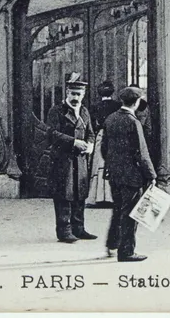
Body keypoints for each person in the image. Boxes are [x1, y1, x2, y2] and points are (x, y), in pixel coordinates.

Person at [102, 86, 156, 262]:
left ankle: (112, 243)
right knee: (131, 213)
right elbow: (142, 152)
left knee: (118, 210)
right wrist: (151, 175)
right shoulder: (134, 122)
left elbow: (104, 149)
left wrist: (113, 164)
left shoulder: (110, 119)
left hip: (114, 174)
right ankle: (126, 252)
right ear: (137, 102)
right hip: (132, 176)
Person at [45, 74, 96, 242]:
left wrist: (89, 144)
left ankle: (79, 228)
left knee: (79, 194)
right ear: (67, 92)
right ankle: (64, 230)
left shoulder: (84, 111)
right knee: (63, 195)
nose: (75, 97)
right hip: (62, 160)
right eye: (72, 93)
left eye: (78, 94)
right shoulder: (56, 111)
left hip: (80, 161)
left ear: (83, 94)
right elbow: (52, 133)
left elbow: (90, 132)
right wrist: (74, 142)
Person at [88, 81, 120, 208]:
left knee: (99, 164)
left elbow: (92, 123)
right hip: (114, 136)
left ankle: (98, 196)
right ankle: (112, 197)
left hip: (101, 135)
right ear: (112, 92)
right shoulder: (117, 105)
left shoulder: (95, 106)